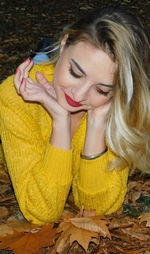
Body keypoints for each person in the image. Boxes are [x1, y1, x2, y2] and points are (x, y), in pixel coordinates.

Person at [0, 7, 150, 225]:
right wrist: (60, 122)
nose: (78, 95)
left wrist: (97, 123)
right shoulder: (16, 97)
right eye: (75, 73)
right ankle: (42, 57)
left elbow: (95, 209)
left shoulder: (118, 109)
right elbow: (41, 211)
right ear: (64, 43)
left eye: (101, 89)